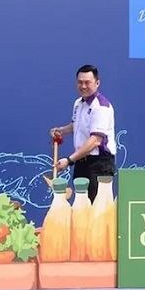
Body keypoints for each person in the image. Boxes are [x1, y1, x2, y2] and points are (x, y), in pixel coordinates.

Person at [51, 64, 116, 202]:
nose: (83, 86)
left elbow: (95, 140)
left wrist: (69, 160)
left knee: (97, 209)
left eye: (87, 82)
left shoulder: (101, 106)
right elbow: (78, 125)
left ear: (97, 83)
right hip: (82, 163)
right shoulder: (78, 103)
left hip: (99, 164)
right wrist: (62, 130)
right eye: (80, 82)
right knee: (82, 207)